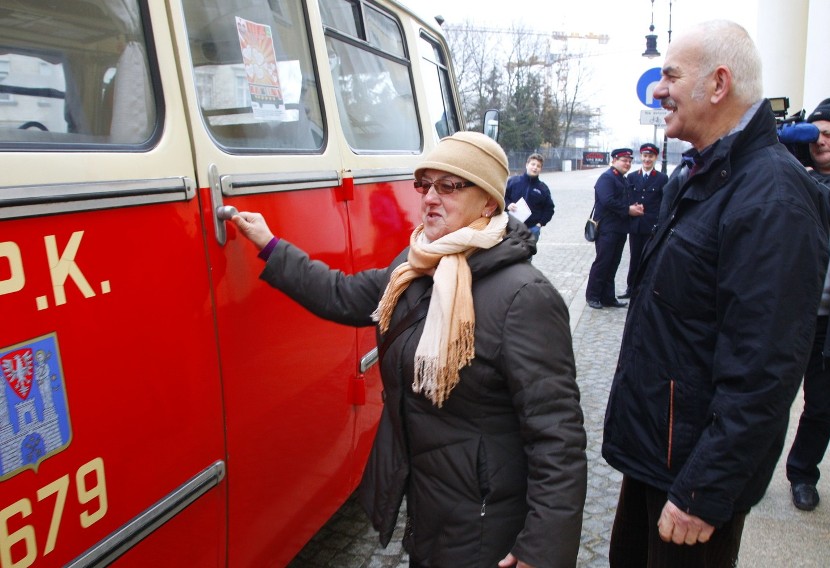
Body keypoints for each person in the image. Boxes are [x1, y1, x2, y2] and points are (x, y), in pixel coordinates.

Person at [227, 131, 588, 567]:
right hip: (429, 504)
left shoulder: (524, 296)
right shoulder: (415, 265)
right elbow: (343, 295)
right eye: (425, 185)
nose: (431, 198)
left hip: (486, 521)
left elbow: (557, 435)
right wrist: (271, 246)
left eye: (450, 186)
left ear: (489, 201)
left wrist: (542, 548)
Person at [601, 20, 829, 567]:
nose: (658, 90)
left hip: (692, 483)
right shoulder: (703, 176)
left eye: (670, 75)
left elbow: (764, 374)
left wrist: (703, 492)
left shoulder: (772, 199)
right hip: (660, 457)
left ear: (719, 84)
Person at [785, 95, 830, 512]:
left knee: (822, 405)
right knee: (762, 396)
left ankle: (802, 473)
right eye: (813, 134)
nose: (819, 141)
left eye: (829, 134)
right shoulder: (795, 169)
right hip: (790, 313)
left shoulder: (812, 180)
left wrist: (806, 181)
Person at [585, 148, 644, 309]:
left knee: (613, 264)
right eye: (624, 160)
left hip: (620, 228)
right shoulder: (607, 178)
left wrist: (633, 207)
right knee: (603, 262)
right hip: (607, 228)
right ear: (614, 161)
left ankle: (608, 296)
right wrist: (628, 209)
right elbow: (607, 200)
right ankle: (593, 296)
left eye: (629, 161)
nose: (627, 163)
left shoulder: (622, 179)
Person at [619, 143, 667, 299]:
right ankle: (631, 288)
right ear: (641, 157)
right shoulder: (632, 177)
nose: (647, 159)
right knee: (634, 257)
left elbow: (663, 202)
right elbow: (627, 198)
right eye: (645, 156)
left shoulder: (661, 178)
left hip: (651, 225)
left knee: (649, 258)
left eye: (650, 156)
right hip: (636, 225)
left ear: (655, 158)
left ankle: (646, 289)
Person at [505, 152, 555, 243]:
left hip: (531, 229)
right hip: (511, 226)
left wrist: (539, 224)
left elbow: (549, 209)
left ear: (540, 169)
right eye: (533, 164)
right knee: (510, 255)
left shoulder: (543, 188)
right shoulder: (513, 182)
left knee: (527, 256)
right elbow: (502, 198)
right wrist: (508, 205)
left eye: (538, 166)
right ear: (527, 165)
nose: (535, 167)